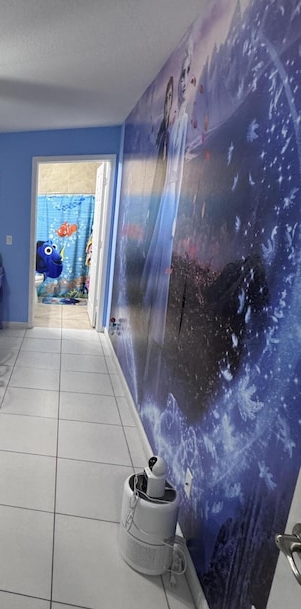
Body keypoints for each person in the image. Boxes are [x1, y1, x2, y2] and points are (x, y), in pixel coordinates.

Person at [142, 43, 192, 397]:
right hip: (161, 211)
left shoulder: (182, 129)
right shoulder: (162, 134)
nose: (171, 102)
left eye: (175, 95)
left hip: (172, 210)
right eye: (169, 97)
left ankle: (160, 336)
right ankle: (154, 332)